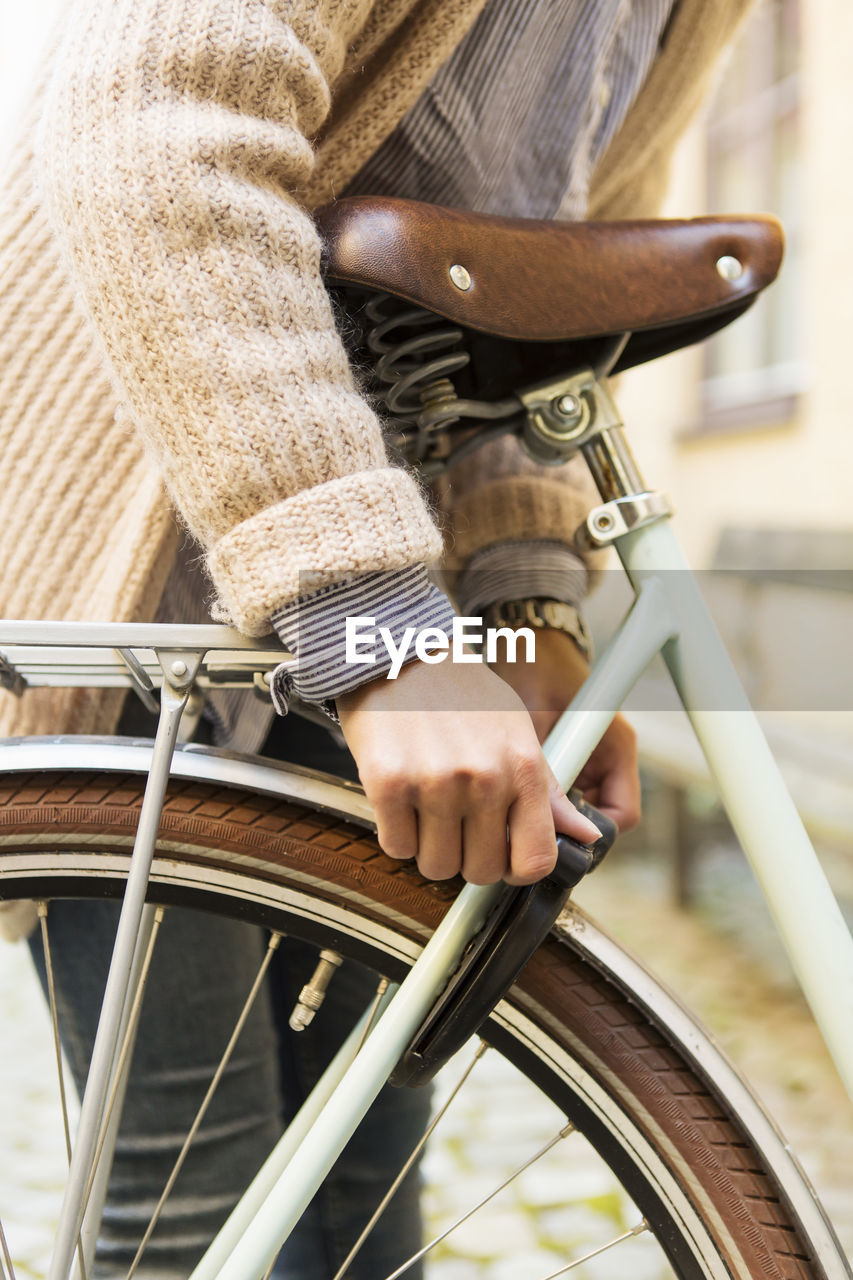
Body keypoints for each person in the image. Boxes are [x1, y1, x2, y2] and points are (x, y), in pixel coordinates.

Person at [0, 0, 753, 1273]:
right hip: (154, 541)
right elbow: (157, 120)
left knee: (366, 1166)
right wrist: (378, 628)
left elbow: (543, 288)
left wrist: (528, 612)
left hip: (409, 572)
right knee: (189, 1187)